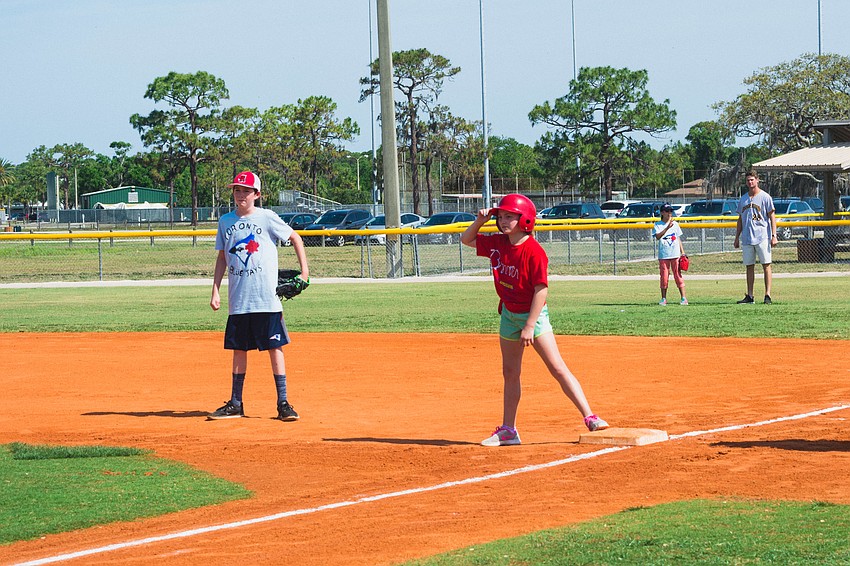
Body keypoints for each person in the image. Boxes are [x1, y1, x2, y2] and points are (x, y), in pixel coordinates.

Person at [460, 194, 609, 447]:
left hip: (534, 316)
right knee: (510, 372)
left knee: (557, 367)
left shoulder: (534, 251)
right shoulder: (498, 242)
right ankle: (509, 430)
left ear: (525, 220)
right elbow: (466, 240)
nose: (503, 221)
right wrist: (481, 220)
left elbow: (541, 290)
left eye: (510, 217)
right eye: (501, 217)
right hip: (508, 314)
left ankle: (590, 417)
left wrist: (529, 325)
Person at [209, 170, 310, 421]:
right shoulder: (225, 221)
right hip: (239, 297)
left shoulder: (267, 218)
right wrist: (215, 290)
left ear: (257, 194)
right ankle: (235, 403)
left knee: (274, 347)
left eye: (246, 190)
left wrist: (305, 272)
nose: (240, 194)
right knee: (238, 349)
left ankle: (283, 403)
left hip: (266, 297)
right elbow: (222, 257)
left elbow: (296, 238)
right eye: (237, 190)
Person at [733, 170, 777, 305]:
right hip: (747, 237)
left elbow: (772, 217)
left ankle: (767, 295)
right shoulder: (744, 199)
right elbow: (740, 219)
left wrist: (774, 235)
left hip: (762, 236)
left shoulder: (765, 197)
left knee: (766, 265)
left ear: (757, 180)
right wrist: (736, 237)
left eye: (752, 179)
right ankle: (750, 296)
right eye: (748, 180)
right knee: (749, 266)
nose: (750, 182)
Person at [652, 203, 687, 306]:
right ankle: (663, 298)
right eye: (667, 211)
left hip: (675, 254)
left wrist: (683, 252)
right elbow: (658, 236)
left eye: (671, 211)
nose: (669, 213)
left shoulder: (675, 224)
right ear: (662, 212)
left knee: (678, 275)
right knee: (664, 277)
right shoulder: (658, 225)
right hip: (664, 255)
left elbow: (678, 238)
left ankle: (683, 298)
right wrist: (667, 228)